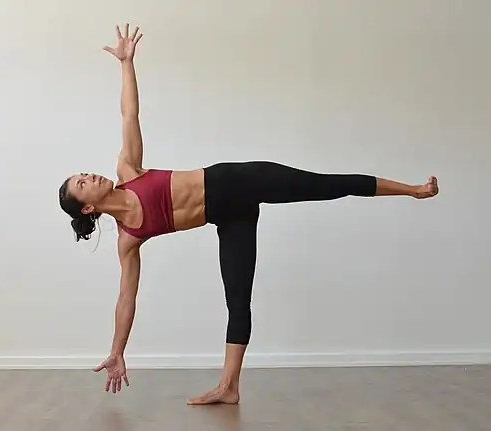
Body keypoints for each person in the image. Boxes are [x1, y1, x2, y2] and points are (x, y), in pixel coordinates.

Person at [59, 24, 439, 405]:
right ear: (88, 207)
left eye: (84, 174)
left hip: (240, 180)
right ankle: (229, 387)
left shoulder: (129, 170)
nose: (90, 176)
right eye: (82, 183)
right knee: (238, 300)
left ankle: (412, 190)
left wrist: (126, 63)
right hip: (229, 218)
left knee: (325, 185)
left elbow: (129, 114)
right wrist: (117, 350)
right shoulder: (129, 239)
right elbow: (126, 298)